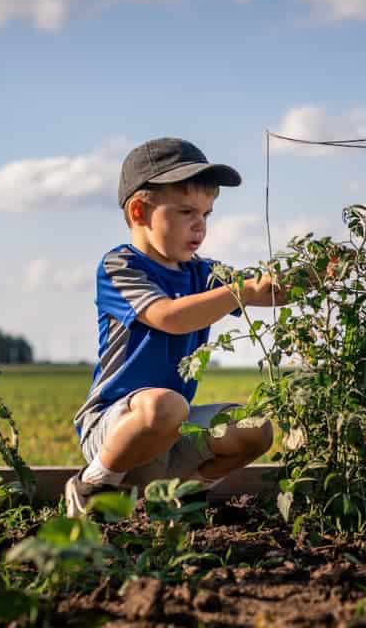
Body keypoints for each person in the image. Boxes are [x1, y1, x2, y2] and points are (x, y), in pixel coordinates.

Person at [66, 137, 288, 518]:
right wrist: (244, 291)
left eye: (207, 213)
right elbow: (169, 316)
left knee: (256, 427)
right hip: (117, 428)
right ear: (139, 211)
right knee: (166, 406)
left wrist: (315, 275)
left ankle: (180, 498)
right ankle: (93, 486)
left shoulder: (203, 272)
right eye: (186, 211)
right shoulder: (121, 266)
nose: (199, 225)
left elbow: (266, 291)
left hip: (173, 434)